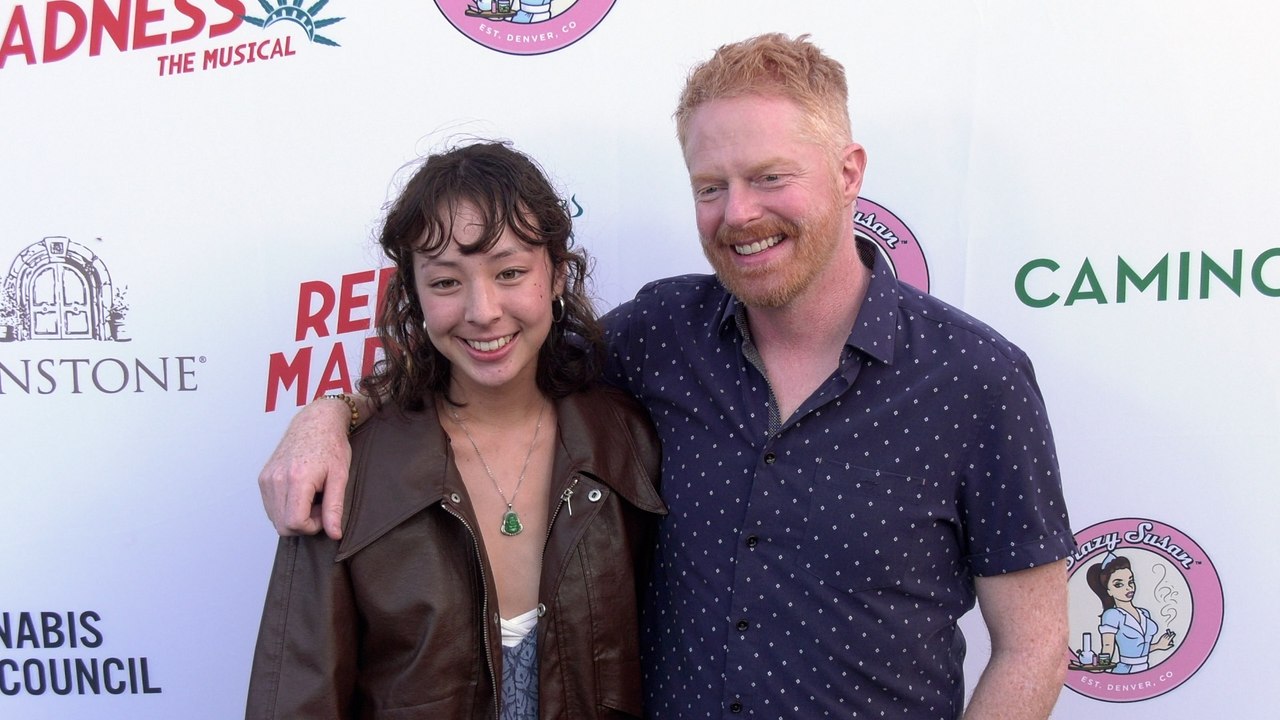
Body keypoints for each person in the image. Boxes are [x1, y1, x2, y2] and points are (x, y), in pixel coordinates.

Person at [258, 34, 1073, 719]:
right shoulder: (658, 336)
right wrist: (330, 413)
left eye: (770, 177)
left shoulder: (977, 380)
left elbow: (1033, 645)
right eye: (711, 187)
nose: (739, 214)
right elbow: (492, 363)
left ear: (849, 171)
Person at [246, 141, 665, 719]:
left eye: (510, 272)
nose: (483, 309)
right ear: (415, 295)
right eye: (446, 282)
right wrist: (330, 412)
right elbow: (296, 696)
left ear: (558, 275)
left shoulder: (627, 441)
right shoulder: (347, 471)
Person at [1085, 553, 1176, 674]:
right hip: (1125, 670)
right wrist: (1101, 667)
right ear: (1109, 591)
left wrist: (1159, 645)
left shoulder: (1144, 613)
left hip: (1145, 668)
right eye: (1119, 584)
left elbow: (1138, 648)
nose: (1128, 588)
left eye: (1131, 582)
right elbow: (1108, 646)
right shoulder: (1112, 615)